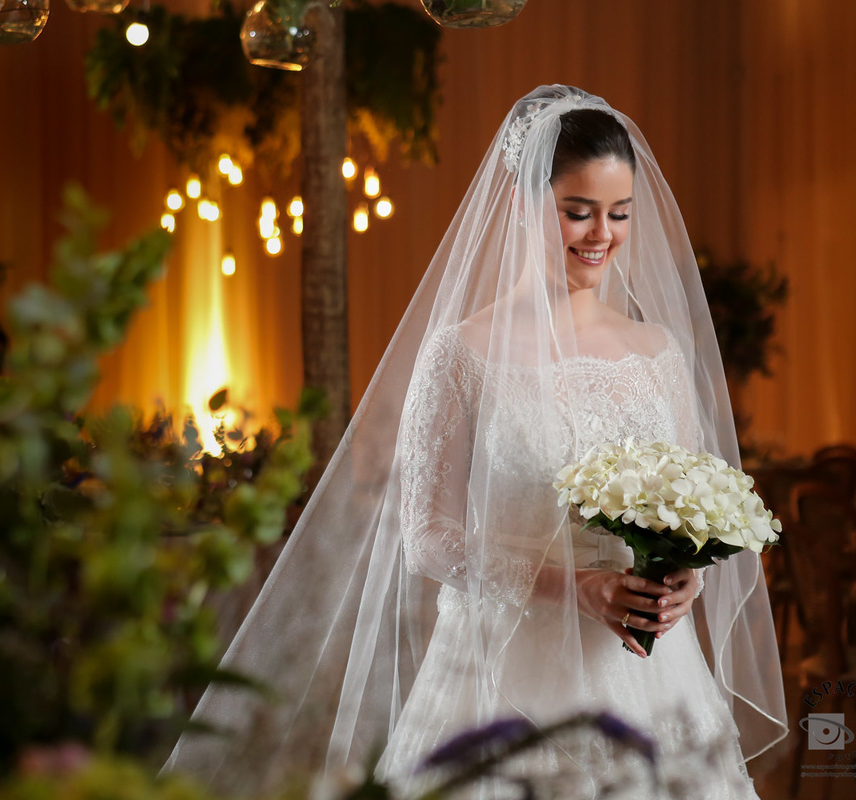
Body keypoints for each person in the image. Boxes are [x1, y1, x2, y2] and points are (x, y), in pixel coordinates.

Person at [164, 85, 788, 798]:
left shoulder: (656, 352)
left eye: (619, 214)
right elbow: (426, 536)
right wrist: (574, 588)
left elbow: (689, 500)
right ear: (526, 206)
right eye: (577, 212)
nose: (601, 236)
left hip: (648, 669)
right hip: (503, 677)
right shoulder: (461, 353)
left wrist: (686, 578)